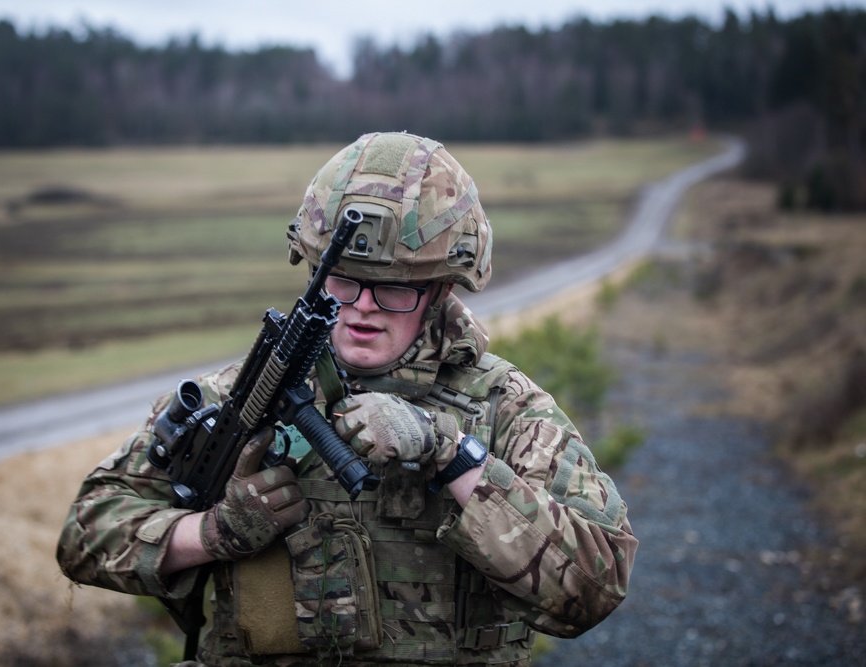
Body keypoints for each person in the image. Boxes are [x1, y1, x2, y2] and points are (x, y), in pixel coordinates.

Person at [56, 131, 637, 666]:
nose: (362, 307)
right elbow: (86, 534)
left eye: (393, 288)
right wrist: (208, 534)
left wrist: (454, 456)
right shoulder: (238, 398)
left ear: (439, 290)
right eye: (343, 281)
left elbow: (595, 586)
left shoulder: (506, 409)